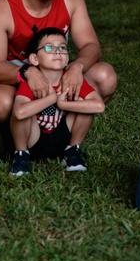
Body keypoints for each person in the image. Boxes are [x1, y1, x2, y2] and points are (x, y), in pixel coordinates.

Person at [0, 0, 117, 136]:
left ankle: (63, 128)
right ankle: (21, 136)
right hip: (19, 77)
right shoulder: (1, 8)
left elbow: (91, 45)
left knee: (106, 76)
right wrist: (28, 72)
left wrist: (76, 67)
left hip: (58, 72)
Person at [8, 27, 105, 176]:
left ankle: (72, 151)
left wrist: (63, 104)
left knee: (84, 104)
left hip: (62, 136)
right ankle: (21, 155)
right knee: (25, 111)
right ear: (34, 59)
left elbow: (98, 106)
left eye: (62, 48)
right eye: (49, 48)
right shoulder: (33, 82)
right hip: (34, 138)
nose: (57, 51)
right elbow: (19, 112)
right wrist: (52, 98)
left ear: (67, 58)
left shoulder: (71, 80)